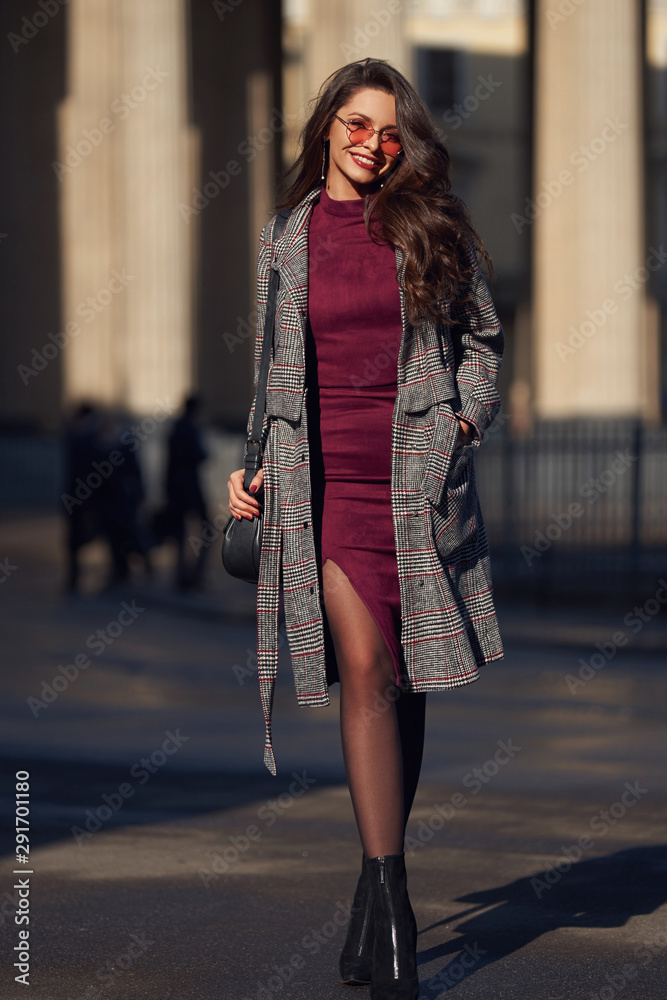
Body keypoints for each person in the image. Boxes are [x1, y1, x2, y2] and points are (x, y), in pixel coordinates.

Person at [227, 58, 504, 999]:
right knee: (367, 670)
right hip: (325, 485)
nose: (368, 143)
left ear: (403, 142)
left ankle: (369, 878)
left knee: (406, 675)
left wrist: (463, 424)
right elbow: (272, 368)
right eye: (352, 123)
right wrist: (253, 460)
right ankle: (393, 902)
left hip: (415, 483)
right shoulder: (285, 239)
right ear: (326, 129)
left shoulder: (435, 228)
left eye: (387, 130)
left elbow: (482, 347)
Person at [165, 394, 209, 590]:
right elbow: (198, 455)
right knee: (206, 528)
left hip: (176, 488)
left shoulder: (177, 428)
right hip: (189, 487)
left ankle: (184, 575)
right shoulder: (190, 428)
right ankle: (192, 576)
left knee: (180, 533)